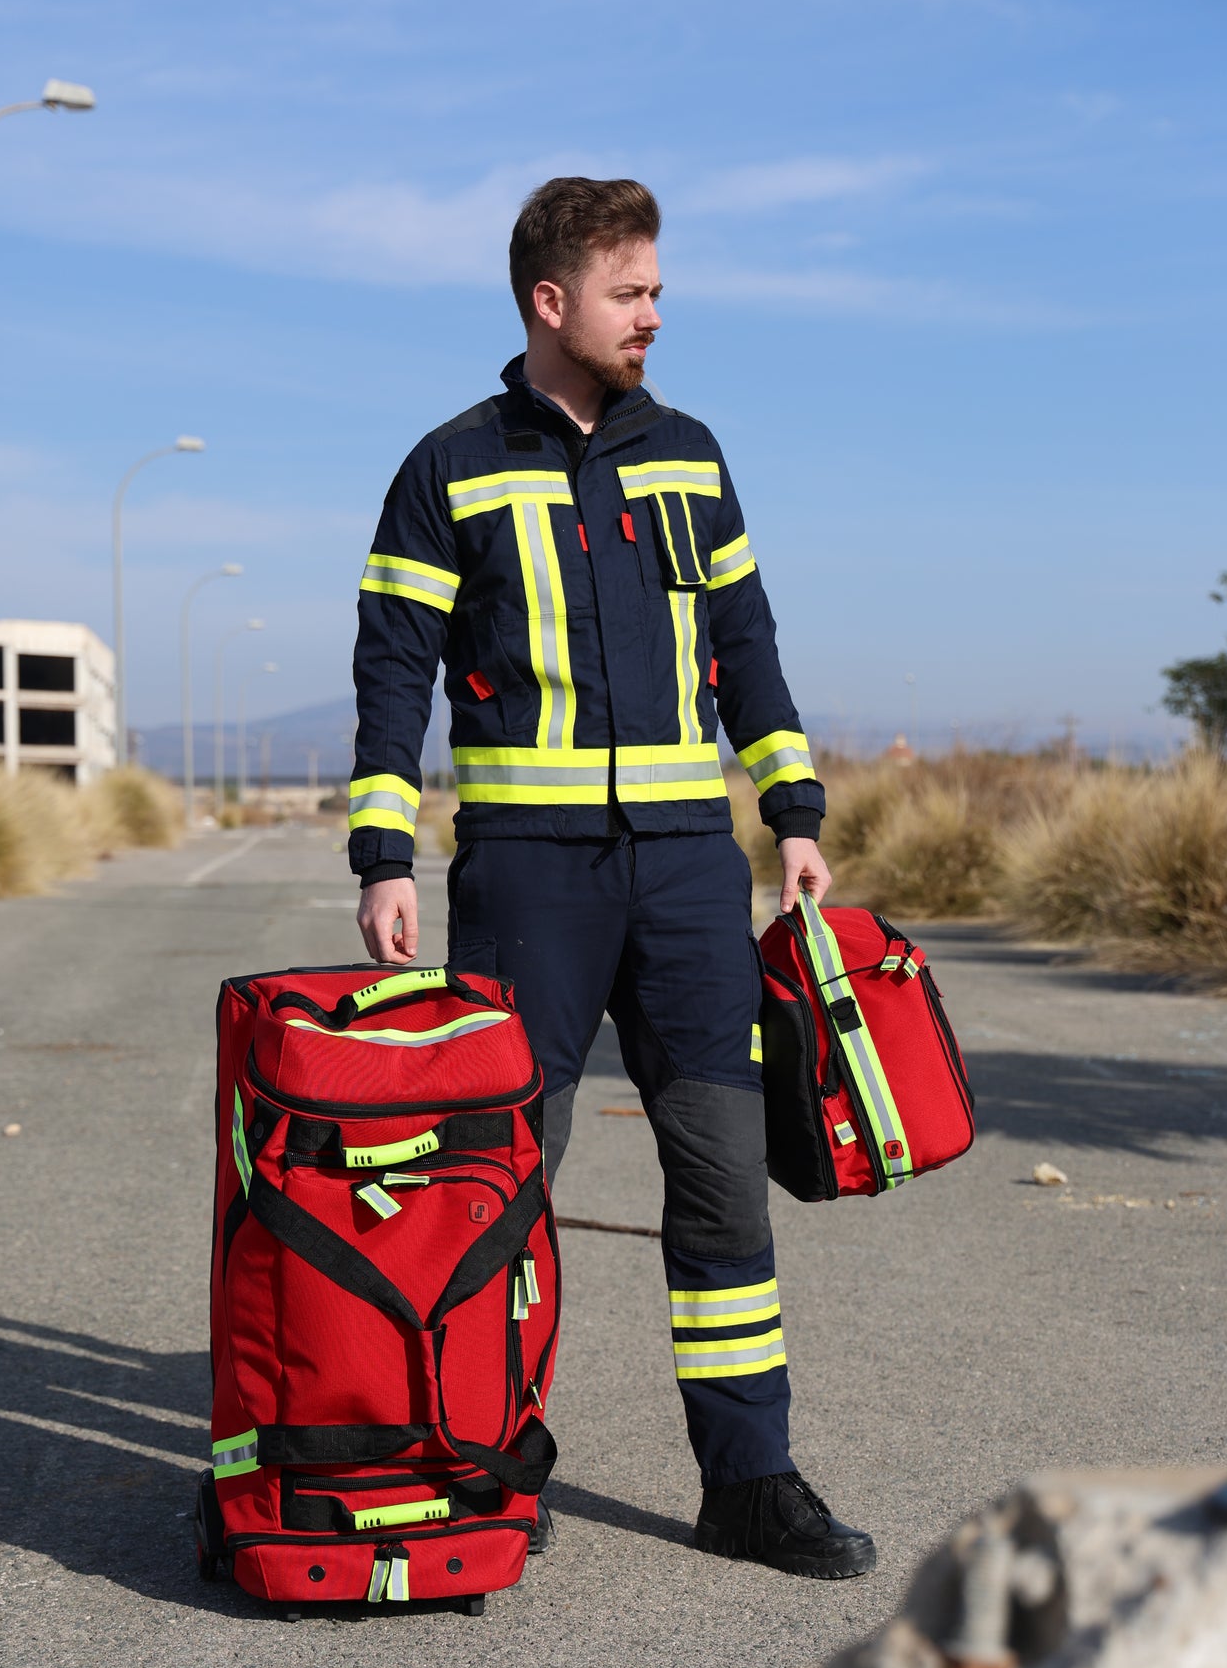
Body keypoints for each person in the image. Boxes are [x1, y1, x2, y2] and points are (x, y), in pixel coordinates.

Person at [348, 176, 874, 1580]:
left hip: (691, 878)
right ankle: (486, 1456)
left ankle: (748, 1480)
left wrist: (792, 808)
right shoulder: (449, 467)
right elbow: (394, 668)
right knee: (500, 1183)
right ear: (550, 300)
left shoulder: (690, 455)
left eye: (654, 291)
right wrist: (384, 852)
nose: (651, 315)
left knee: (723, 1181)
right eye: (628, 292)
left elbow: (747, 642)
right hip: (528, 883)